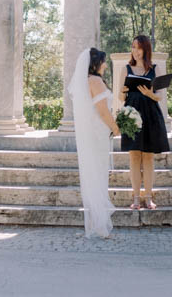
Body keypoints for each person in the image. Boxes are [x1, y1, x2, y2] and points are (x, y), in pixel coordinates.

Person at [68, 47, 120, 238]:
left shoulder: (86, 81)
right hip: (98, 132)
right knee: (98, 174)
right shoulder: (95, 81)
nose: (105, 65)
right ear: (96, 63)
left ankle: (95, 221)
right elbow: (102, 110)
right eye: (103, 61)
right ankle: (100, 225)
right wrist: (115, 127)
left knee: (94, 174)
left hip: (93, 132)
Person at [119, 35, 169, 210]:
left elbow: (160, 96)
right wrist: (124, 91)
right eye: (133, 47)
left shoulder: (156, 69)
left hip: (150, 114)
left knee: (148, 156)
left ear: (146, 50)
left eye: (139, 48)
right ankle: (135, 197)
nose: (135, 51)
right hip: (131, 113)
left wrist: (149, 94)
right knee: (134, 156)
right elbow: (120, 97)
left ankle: (148, 197)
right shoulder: (126, 69)